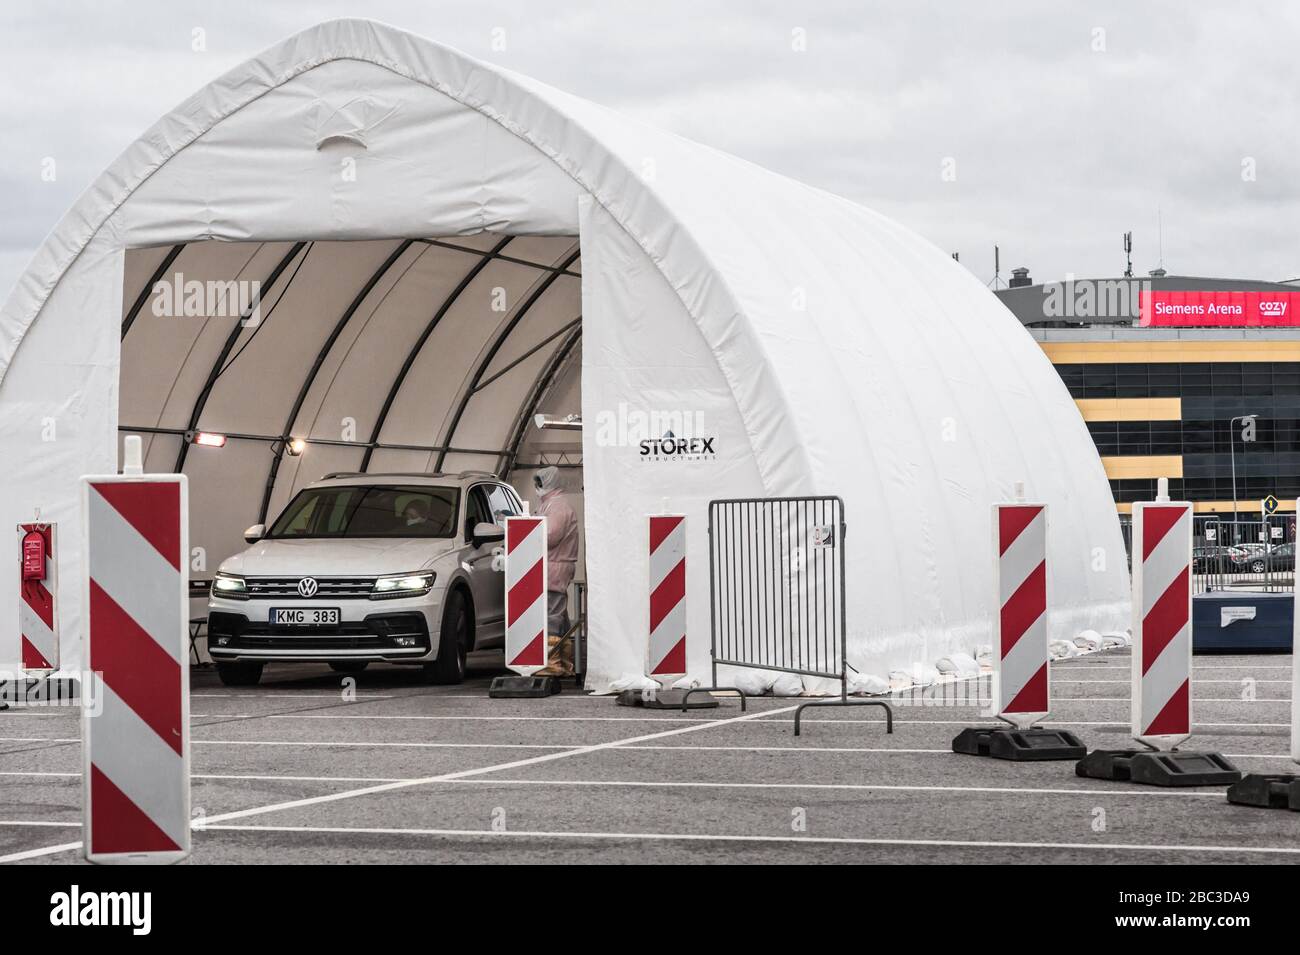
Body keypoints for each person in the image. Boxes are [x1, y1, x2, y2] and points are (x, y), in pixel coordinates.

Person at [534, 466, 578, 640]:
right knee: (558, 613)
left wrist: (529, 537)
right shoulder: (549, 503)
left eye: (539, 482)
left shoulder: (557, 505)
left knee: (552, 616)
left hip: (555, 566)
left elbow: (551, 536)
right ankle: (563, 660)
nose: (536, 486)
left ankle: (552, 664)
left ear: (549, 482)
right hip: (554, 565)